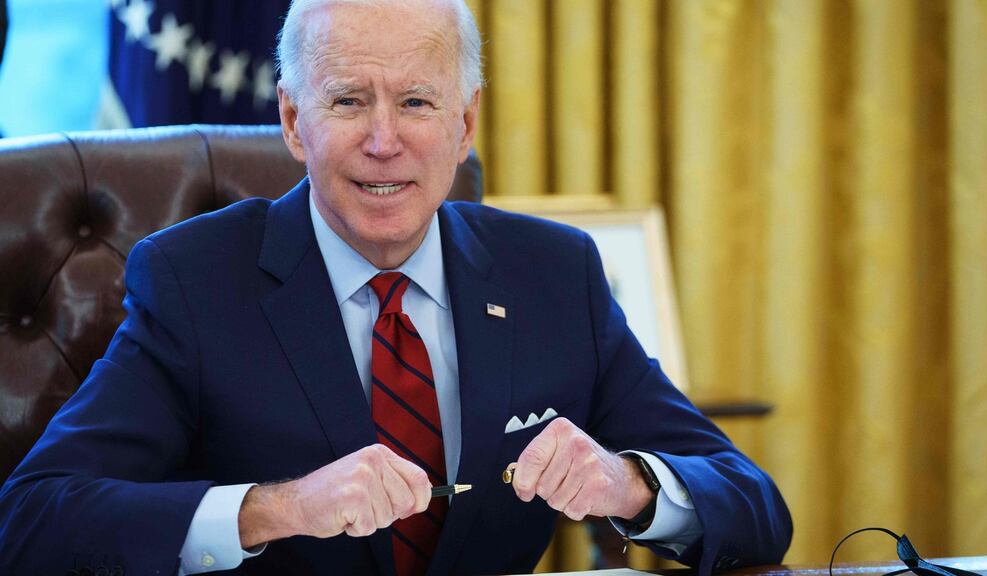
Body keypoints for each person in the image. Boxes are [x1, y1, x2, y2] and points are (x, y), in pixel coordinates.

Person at [0, 1, 792, 575]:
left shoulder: (555, 275)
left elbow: (755, 507)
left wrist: (630, 484)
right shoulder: (193, 280)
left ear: (466, 124)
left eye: (417, 101)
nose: (385, 141)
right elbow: (32, 520)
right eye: (348, 100)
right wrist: (277, 509)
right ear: (291, 118)